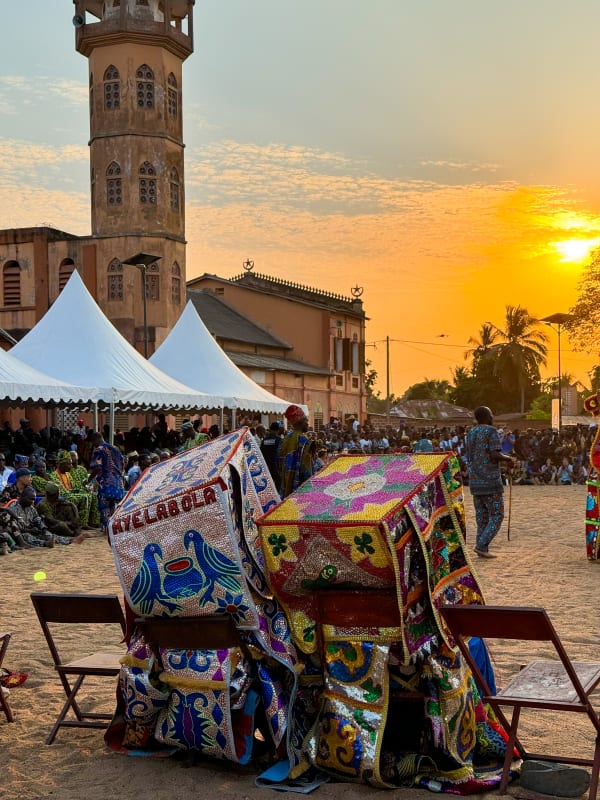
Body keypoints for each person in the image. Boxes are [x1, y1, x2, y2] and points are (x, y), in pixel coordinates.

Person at [465, 406, 514, 558]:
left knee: (482, 517)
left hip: (475, 481)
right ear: (487, 416)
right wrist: (509, 459)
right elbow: (494, 453)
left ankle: (482, 548)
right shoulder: (491, 431)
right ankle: (481, 545)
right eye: (491, 414)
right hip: (490, 481)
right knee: (497, 515)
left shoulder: (471, 433)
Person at [89, 432, 125, 531]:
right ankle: (114, 527)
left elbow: (97, 468)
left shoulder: (99, 450)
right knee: (114, 505)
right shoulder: (115, 448)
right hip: (118, 482)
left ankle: (107, 528)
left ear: (94, 440)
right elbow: (123, 462)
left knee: (105, 506)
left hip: (106, 483)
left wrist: (89, 480)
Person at [279, 405, 317, 498]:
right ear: (300, 422)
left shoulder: (284, 440)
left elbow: (279, 463)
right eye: (305, 420)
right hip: (301, 491)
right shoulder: (305, 441)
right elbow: (308, 469)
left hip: (285, 488)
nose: (308, 422)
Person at [260, 422, 283, 487]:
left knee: (268, 485)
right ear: (278, 430)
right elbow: (281, 453)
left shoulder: (264, 440)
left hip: (266, 466)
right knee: (278, 484)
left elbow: (261, 452)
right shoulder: (279, 440)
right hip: (276, 466)